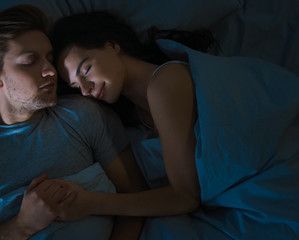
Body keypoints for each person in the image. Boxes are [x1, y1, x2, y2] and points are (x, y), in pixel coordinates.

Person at [51, 10, 299, 238]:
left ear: (112, 45)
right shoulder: (136, 118)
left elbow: (185, 197)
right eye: (75, 86)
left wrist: (90, 203)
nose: (86, 89)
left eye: (86, 70)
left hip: (275, 180)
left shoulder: (165, 82)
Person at [0, 5, 147, 240]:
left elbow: (136, 201)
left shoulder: (83, 115)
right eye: (30, 60)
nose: (50, 70)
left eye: (49, 59)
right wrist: (23, 226)